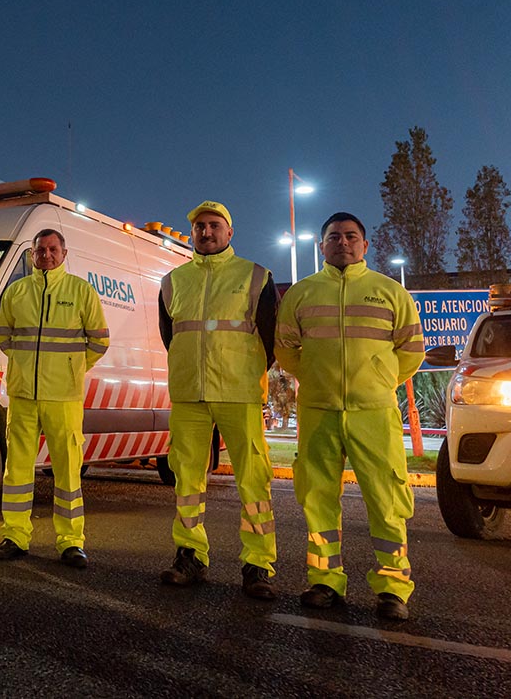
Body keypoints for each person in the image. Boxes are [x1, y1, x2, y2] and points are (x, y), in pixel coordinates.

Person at [275, 212, 423, 621]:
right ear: (321, 246)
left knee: (386, 499)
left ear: (365, 245)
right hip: (319, 411)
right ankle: (324, 582)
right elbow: (285, 350)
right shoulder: (301, 295)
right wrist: (318, 378)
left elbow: (412, 352)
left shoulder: (390, 292)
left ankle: (393, 589)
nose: (343, 242)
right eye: (334, 237)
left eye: (351, 236)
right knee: (318, 498)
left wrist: (379, 380)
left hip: (373, 413)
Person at [157, 201, 280, 599]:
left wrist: (246, 371)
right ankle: (190, 554)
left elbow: (271, 338)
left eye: (214, 226)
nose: (205, 233)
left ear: (230, 234)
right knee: (186, 480)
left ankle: (257, 564)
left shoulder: (255, 276)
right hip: (190, 393)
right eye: (199, 227)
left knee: (252, 480)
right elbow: (171, 336)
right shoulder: (173, 281)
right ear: (192, 234)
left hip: (239, 392)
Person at [0, 229, 108, 568]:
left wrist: (72, 367)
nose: (47, 255)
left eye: (53, 249)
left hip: (64, 395)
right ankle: (15, 534)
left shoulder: (80, 291)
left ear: (64, 253)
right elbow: (5, 336)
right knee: (17, 470)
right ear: (32, 254)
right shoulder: (17, 291)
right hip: (24, 393)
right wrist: (27, 366)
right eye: (41, 250)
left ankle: (71, 542)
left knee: (68, 471)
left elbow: (100, 340)